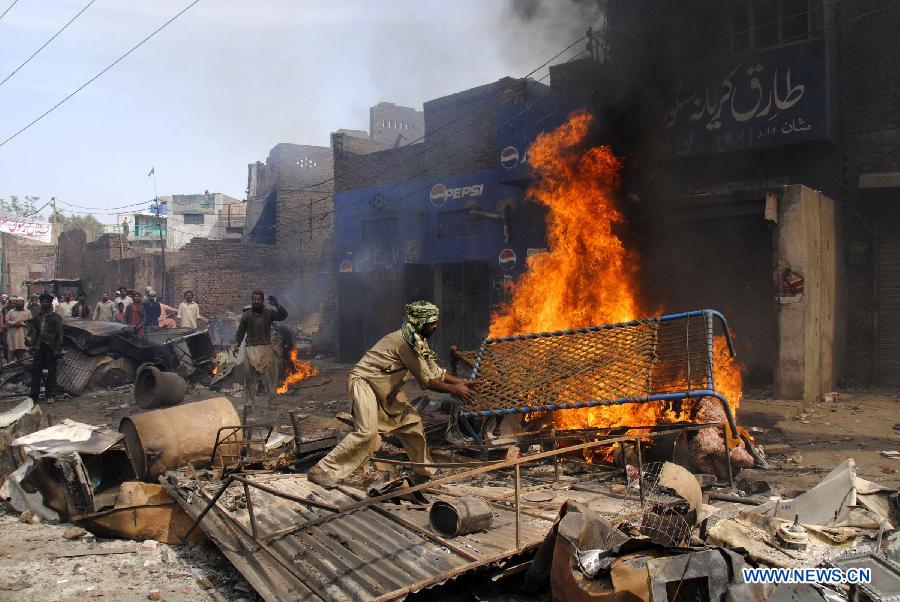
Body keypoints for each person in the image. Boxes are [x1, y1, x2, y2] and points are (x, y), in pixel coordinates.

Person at [308, 301, 477, 489]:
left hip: (386, 387)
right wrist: (455, 390)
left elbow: (435, 371)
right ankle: (322, 471)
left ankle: (423, 472)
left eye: (436, 322)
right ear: (420, 322)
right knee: (367, 433)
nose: (435, 326)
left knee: (412, 423)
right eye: (431, 323)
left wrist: (459, 382)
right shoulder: (405, 343)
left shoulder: (417, 340)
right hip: (365, 384)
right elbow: (427, 382)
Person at [232, 291, 287, 407]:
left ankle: (272, 399)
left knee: (271, 375)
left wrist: (277, 304)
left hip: (266, 348)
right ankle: (250, 400)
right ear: (252, 301)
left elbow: (283, 316)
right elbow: (240, 332)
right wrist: (236, 344)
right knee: (249, 375)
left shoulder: (269, 313)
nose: (257, 302)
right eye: (255, 300)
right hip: (251, 348)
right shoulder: (246, 315)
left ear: (262, 301)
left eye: (259, 300)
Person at [29, 293, 63, 403]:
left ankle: (51, 395)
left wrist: (58, 349)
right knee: (36, 372)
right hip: (39, 347)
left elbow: (60, 335)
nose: (44, 304)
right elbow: (33, 332)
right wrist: (31, 345)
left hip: (51, 347)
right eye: (42, 302)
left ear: (50, 303)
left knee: (51, 372)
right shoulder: (37, 317)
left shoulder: (56, 318)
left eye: (47, 302)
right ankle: (34, 396)